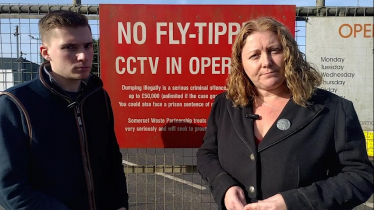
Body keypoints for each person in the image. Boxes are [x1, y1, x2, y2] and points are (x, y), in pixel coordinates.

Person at [196, 17, 374, 210]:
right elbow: (207, 154)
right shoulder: (225, 104)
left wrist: (295, 202)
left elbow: (360, 177)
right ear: (241, 64)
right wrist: (225, 186)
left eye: (275, 50)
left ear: (290, 54)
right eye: (254, 55)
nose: (266, 62)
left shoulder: (333, 109)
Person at [0, 10, 128, 210]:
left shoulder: (98, 96)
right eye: (69, 47)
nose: (83, 56)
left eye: (87, 45)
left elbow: (112, 158)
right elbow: (10, 188)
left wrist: (120, 204)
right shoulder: (15, 103)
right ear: (46, 52)